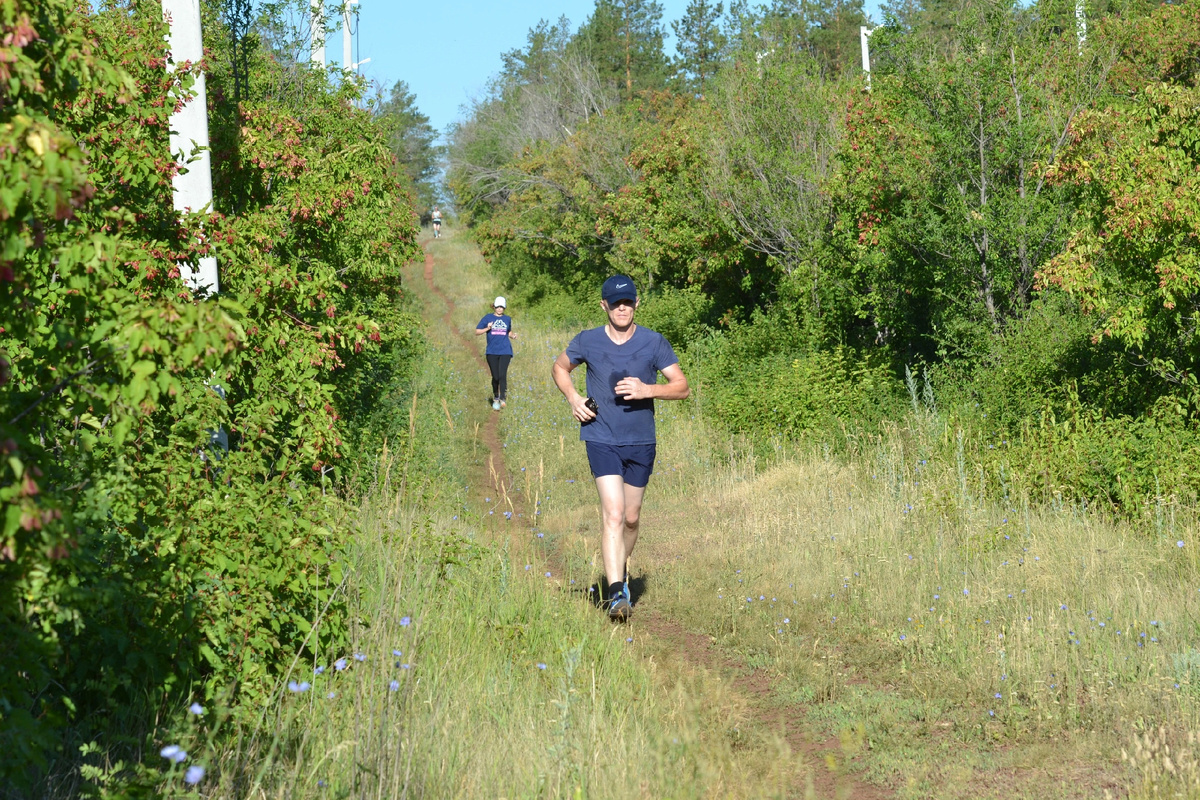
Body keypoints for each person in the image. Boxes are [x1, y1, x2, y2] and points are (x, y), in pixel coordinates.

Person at [551, 275, 689, 621]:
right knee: (612, 513)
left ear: (636, 304)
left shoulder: (653, 342)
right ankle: (615, 595)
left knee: (630, 518)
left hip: (641, 441)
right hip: (600, 437)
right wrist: (573, 398)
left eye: (627, 302)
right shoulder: (588, 341)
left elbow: (682, 387)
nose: (622, 308)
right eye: (615, 303)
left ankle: (621, 574)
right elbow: (560, 367)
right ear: (604, 306)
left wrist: (647, 390)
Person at [476, 296, 517, 410]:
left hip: (505, 351)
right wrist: (487, 329)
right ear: (494, 306)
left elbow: (507, 331)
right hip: (492, 351)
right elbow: (477, 331)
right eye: (498, 307)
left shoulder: (507, 319)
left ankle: (503, 399)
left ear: (504, 308)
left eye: (502, 307)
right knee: (496, 376)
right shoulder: (487, 318)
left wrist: (512, 335)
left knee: (502, 374)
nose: (500, 309)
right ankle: (496, 397)